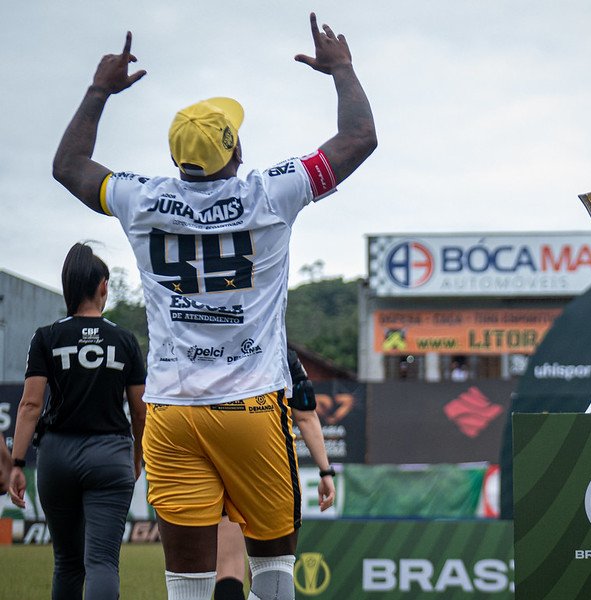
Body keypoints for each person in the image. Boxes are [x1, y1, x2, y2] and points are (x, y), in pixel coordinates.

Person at [52, 13, 376, 600]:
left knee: (189, 584)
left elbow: (68, 167)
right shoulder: (271, 190)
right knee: (273, 572)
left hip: (172, 411)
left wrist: (99, 90)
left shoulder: (141, 198)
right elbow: (358, 140)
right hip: (250, 407)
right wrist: (343, 71)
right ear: (236, 146)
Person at [8, 243, 147, 599]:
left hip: (57, 456)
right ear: (103, 286)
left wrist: (17, 463)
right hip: (110, 455)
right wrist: (138, 456)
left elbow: (29, 405)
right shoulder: (125, 340)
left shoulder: (47, 337)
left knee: (67, 561)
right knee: (102, 562)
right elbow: (141, 408)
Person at [214, 349, 335, 600]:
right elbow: (306, 415)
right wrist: (325, 471)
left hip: (218, 455)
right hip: (266, 464)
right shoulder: (281, 353)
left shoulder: (213, 346)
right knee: (269, 568)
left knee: (228, 567)